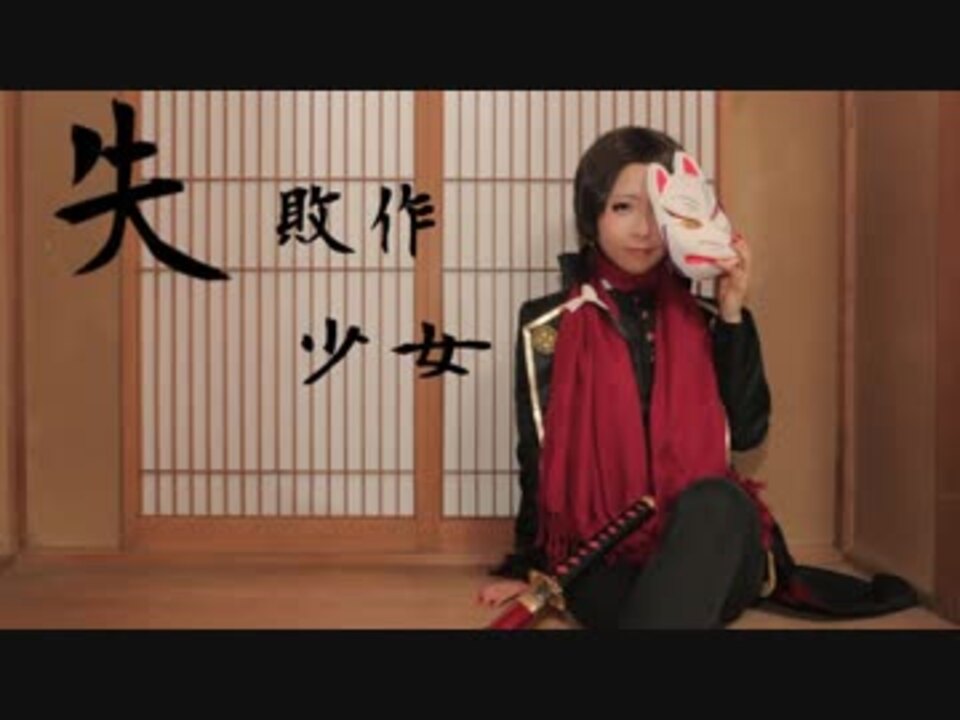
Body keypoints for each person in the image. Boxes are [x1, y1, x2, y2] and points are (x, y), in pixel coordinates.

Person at [478, 126, 917, 629]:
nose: (644, 229)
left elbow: (748, 432)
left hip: (711, 543)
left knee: (718, 502)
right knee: (611, 587)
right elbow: (537, 455)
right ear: (591, 214)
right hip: (606, 549)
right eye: (623, 208)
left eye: (659, 210)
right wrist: (527, 565)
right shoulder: (548, 325)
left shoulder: (710, 320)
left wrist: (731, 313)